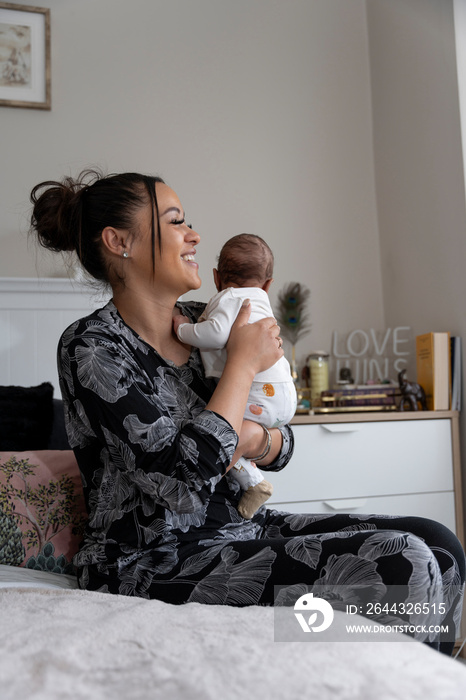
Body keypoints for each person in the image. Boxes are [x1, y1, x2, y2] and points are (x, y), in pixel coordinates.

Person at [30, 170, 465, 655]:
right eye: (176, 222)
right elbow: (178, 478)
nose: (195, 235)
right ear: (119, 241)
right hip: (150, 558)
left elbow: (282, 441)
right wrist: (240, 362)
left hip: (242, 528)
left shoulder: (209, 319)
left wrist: (254, 439)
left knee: (437, 541)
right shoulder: (92, 346)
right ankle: (353, 665)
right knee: (401, 562)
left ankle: (358, 664)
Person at [173, 234, 297, 519]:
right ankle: (254, 483)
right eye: (177, 222)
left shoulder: (227, 299)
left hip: (257, 397)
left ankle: (252, 482)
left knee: (226, 431)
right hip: (282, 398)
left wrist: (183, 330)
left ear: (217, 278)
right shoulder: (262, 302)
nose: (193, 236)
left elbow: (214, 334)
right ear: (268, 285)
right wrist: (256, 436)